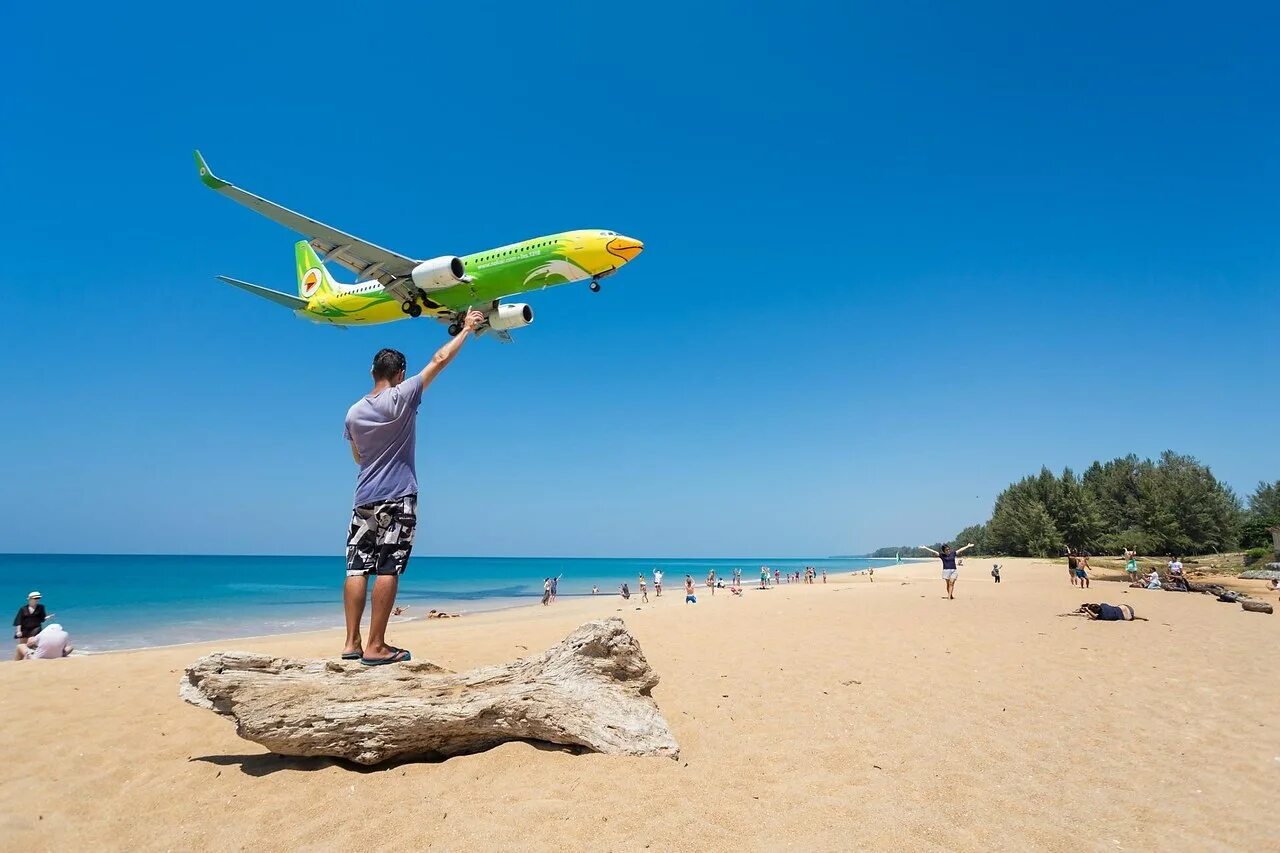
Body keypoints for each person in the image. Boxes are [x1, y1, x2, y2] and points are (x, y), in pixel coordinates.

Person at [342, 309, 484, 666]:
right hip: (398, 494)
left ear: (372, 372)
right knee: (388, 567)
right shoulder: (402, 396)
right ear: (399, 374)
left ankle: (351, 643)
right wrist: (466, 329)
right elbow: (439, 359)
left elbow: (358, 457)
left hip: (363, 498)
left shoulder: (353, 412)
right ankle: (376, 646)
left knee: (357, 567)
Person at [13, 592, 52, 661]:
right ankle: (18, 662)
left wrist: (46, 618)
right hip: (24, 630)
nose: (37, 599)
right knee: (22, 646)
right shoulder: (23, 609)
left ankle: (32, 661)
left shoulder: (41, 607)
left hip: (36, 629)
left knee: (33, 645)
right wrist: (18, 631)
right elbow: (18, 620)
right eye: (35, 598)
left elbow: (42, 619)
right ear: (30, 599)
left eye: (38, 598)